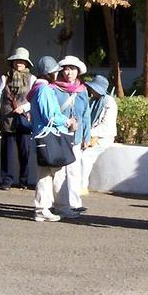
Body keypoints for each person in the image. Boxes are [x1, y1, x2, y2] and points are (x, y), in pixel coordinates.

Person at [30, 56, 75, 222]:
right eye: (55, 71)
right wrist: (67, 121)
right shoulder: (45, 90)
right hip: (51, 137)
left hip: (42, 137)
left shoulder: (36, 90)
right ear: (48, 73)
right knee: (57, 174)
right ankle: (60, 208)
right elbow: (50, 116)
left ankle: (43, 209)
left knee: (45, 174)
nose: (57, 74)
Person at [53, 56, 90, 218]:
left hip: (76, 137)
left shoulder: (82, 91)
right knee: (60, 172)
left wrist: (86, 136)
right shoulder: (54, 89)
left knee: (74, 171)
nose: (69, 72)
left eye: (73, 69)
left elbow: (86, 115)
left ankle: (74, 203)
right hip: (60, 135)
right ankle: (59, 203)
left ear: (78, 72)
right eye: (66, 69)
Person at [0, 48, 34, 191]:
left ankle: (24, 180)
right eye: (17, 61)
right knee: (7, 152)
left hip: (24, 118)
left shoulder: (32, 79)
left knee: (24, 151)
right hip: (8, 118)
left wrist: (24, 108)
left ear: (26, 63)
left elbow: (34, 99)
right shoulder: (5, 78)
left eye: (22, 61)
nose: (19, 63)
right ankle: (6, 180)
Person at [82, 75, 117, 194]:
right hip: (90, 136)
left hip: (104, 137)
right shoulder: (92, 101)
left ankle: (82, 186)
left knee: (85, 157)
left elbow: (106, 126)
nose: (91, 90)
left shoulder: (109, 102)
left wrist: (90, 133)